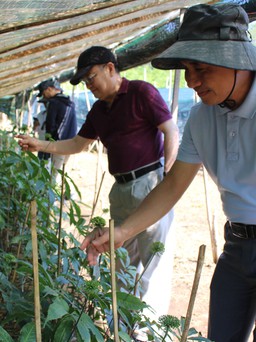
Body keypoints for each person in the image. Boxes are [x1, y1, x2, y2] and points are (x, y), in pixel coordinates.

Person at [75, 4, 256, 342]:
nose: (191, 81)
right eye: (187, 68)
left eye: (200, 67)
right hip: (237, 247)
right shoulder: (204, 118)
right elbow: (173, 184)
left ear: (240, 60)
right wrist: (122, 231)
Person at [16, 46, 179, 328]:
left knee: (154, 262)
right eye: (85, 82)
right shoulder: (98, 110)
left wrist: (168, 174)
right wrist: (41, 144)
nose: (89, 86)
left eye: (91, 77)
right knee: (121, 263)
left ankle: (147, 330)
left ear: (110, 68)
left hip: (150, 183)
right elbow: (79, 144)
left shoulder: (141, 92)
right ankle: (122, 328)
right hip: (121, 190)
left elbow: (170, 129)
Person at [36, 79, 77, 184]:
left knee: (51, 174)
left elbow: (50, 125)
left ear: (49, 89)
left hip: (58, 144)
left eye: (43, 93)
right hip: (71, 143)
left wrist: (48, 145)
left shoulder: (54, 103)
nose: (44, 96)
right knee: (58, 170)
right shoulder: (69, 102)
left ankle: (47, 197)